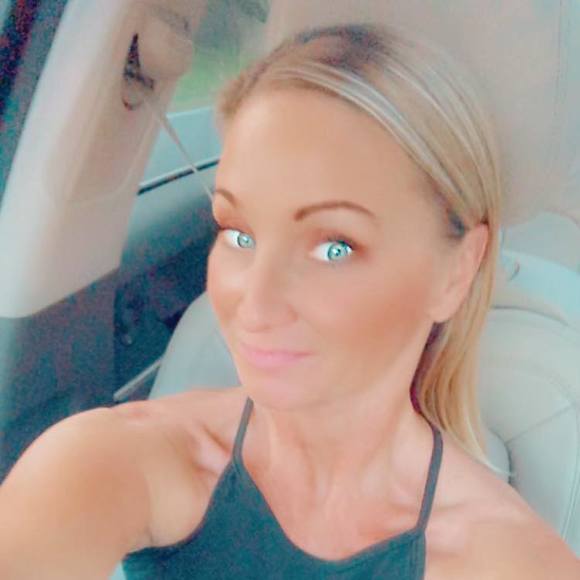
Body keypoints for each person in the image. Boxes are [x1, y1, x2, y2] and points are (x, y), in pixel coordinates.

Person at [0, 23, 578, 580]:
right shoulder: (119, 459)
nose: (255, 306)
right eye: (238, 234)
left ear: (456, 272)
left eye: (334, 247)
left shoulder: (510, 562)